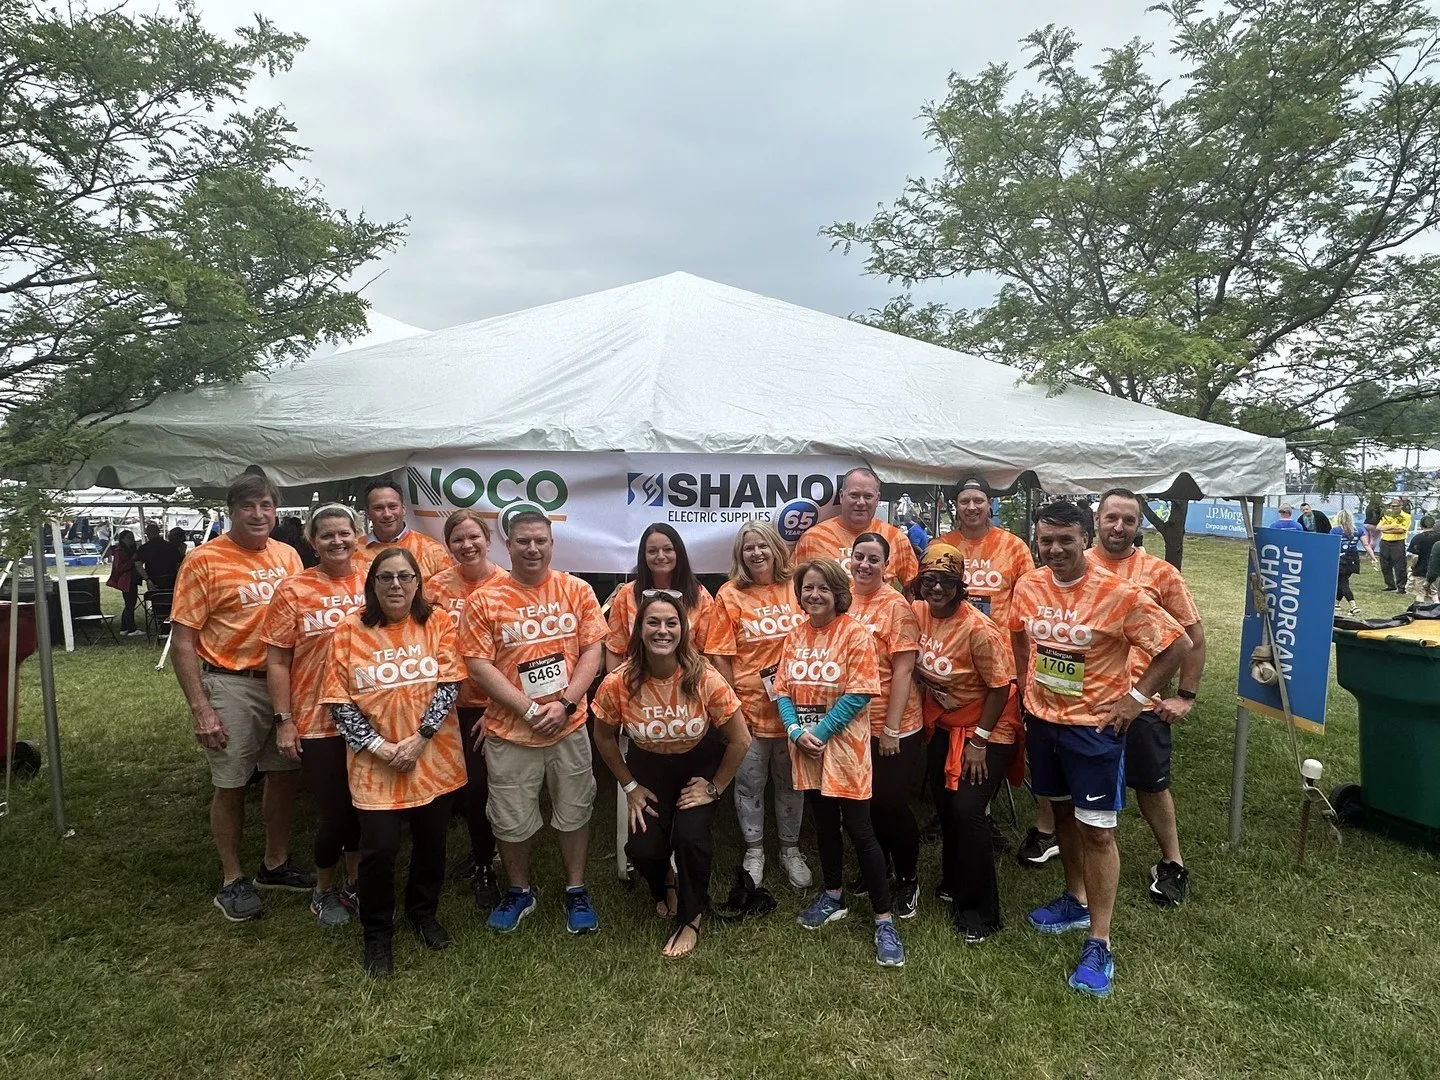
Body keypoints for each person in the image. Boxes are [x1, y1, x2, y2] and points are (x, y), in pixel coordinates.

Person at [1011, 499, 1190, 997]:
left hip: (1094, 730)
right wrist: (1027, 692)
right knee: (1062, 816)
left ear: (1086, 538)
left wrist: (1136, 699)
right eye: (1046, 540)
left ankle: (1100, 940)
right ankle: (1075, 897)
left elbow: (1177, 644)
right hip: (1044, 724)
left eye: (1066, 540)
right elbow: (1021, 639)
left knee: (1098, 833)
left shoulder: (1118, 593)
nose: (1055, 549)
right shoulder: (1029, 584)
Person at [169, 473, 311, 921]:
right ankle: (231, 879)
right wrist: (200, 707)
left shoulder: (288, 555)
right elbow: (183, 639)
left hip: (284, 683)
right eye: (248, 506)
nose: (258, 514)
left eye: (266, 505)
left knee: (284, 774)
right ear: (232, 510)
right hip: (232, 681)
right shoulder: (203, 560)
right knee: (231, 783)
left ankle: (275, 862)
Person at [459, 510, 607, 935]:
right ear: (509, 544)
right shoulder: (485, 599)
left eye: (540, 540)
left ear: (552, 543)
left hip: (568, 726)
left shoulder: (576, 590)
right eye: (523, 541)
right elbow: (477, 664)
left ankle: (576, 889)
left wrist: (566, 702)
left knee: (575, 810)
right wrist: (527, 709)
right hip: (511, 731)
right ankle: (519, 891)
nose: (532, 548)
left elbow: (592, 650)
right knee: (509, 816)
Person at [320, 548, 466, 977]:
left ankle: (423, 914)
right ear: (373, 584)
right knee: (379, 849)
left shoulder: (436, 621)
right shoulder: (349, 630)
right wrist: (380, 747)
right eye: (386, 577)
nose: (396, 585)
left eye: (405, 576)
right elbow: (338, 700)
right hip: (374, 763)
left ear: (418, 582)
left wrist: (419, 739)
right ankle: (377, 934)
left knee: (431, 842)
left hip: (432, 757)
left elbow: (449, 683)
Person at [592, 594, 751, 957]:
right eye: (653, 622)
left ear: (683, 629)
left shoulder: (704, 677)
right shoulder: (619, 681)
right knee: (645, 849)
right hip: (648, 770)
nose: (662, 630)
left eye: (671, 623)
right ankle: (665, 880)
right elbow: (603, 736)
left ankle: (691, 917)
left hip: (697, 767)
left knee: (691, 837)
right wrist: (629, 786)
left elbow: (740, 739)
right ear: (639, 629)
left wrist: (715, 787)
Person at [775, 558, 905, 968]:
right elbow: (780, 689)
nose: (813, 595)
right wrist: (796, 733)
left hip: (844, 749)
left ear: (838, 594)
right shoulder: (794, 635)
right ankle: (833, 896)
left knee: (860, 829)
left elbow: (861, 691)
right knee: (824, 822)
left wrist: (823, 732)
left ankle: (884, 920)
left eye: (822, 589)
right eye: (807, 588)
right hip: (806, 746)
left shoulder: (855, 634)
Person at [1086, 489, 1208, 906]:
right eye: (1111, 518)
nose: (1119, 527)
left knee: (1151, 786)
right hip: (1082, 702)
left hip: (1141, 701)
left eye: (1128, 520)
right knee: (1072, 787)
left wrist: (1186, 696)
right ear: (1096, 520)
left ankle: (1172, 862)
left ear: (1139, 526)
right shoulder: (1075, 565)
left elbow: (1193, 636)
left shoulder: (1160, 573)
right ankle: (1055, 841)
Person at [261, 504, 368, 928]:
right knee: (335, 811)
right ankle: (324, 889)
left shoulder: (373, 583)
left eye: (344, 533)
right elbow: (278, 661)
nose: (337, 541)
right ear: (312, 540)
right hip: (316, 719)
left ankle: (357, 883)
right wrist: (283, 719)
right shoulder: (293, 590)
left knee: (365, 808)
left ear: (357, 535)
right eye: (327, 535)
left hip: (369, 717)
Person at [908, 543, 1021, 941]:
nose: (937, 588)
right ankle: (953, 881)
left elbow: (999, 687)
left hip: (988, 727)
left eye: (947, 582)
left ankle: (979, 912)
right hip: (945, 723)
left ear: (961, 586)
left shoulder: (979, 629)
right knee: (945, 804)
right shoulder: (918, 613)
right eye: (930, 580)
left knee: (969, 811)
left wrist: (980, 741)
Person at [934, 477, 1042, 863]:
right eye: (965, 500)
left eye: (979, 500)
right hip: (951, 660)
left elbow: (1030, 598)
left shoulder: (1013, 546)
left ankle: (983, 811)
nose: (972, 507)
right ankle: (949, 802)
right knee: (948, 734)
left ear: (989, 505)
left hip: (1002, 660)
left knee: (992, 735)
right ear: (955, 506)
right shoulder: (940, 546)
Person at [706, 521, 812, 889]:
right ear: (740, 555)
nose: (757, 553)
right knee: (749, 785)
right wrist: (733, 707)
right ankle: (754, 851)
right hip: (749, 709)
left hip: (796, 709)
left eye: (762, 546)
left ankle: (790, 849)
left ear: (775, 548)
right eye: (749, 548)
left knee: (791, 784)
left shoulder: (796, 586)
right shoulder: (729, 595)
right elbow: (720, 655)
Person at [423, 508, 511, 910]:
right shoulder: (433, 588)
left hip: (488, 705)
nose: (467, 545)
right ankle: (440, 863)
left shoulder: (508, 585)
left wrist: (499, 707)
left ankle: (485, 863)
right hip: (442, 705)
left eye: (474, 537)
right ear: (448, 545)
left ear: (488, 540)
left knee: (480, 788)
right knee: (448, 789)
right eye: (457, 539)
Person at [846, 532, 923, 917]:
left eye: (874, 559)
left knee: (891, 804)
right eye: (860, 556)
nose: (865, 564)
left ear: (886, 565)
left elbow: (904, 669)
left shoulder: (897, 606)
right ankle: (879, 866)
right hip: (849, 724)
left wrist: (891, 729)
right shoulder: (842, 597)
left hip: (893, 726)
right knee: (864, 805)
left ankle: (908, 877)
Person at [605, 523, 714, 671]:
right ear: (643, 556)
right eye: (652, 551)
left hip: (686, 683)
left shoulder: (700, 595)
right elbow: (615, 650)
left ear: (679, 553)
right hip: (635, 682)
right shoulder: (626, 594)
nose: (661, 556)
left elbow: (708, 653)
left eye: (668, 549)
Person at [794, 466, 919, 587]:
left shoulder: (896, 539)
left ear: (877, 499)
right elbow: (792, 587)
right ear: (842, 496)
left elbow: (914, 587)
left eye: (868, 496)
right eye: (854, 495)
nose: (860, 502)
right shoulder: (813, 539)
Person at [363, 478, 451, 578]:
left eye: (393, 506)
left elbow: (448, 590)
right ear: (367, 513)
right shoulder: (352, 552)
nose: (387, 514)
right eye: (378, 508)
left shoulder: (433, 550)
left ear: (403, 509)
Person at [1332, 509, 1377, 616]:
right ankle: (1337, 604)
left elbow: (1331, 546)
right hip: (1353, 559)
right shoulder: (1359, 530)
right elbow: (1366, 545)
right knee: (1343, 580)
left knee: (1342, 582)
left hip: (1341, 559)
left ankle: (1353, 606)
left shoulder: (1335, 531)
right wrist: (1373, 558)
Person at [105, 529, 142, 636]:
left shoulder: (128, 550)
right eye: (129, 538)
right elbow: (120, 567)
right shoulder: (119, 551)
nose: (132, 540)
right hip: (126, 580)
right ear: (123, 539)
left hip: (131, 580)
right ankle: (131, 629)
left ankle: (124, 627)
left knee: (129, 604)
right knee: (130, 604)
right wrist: (132, 560)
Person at [1377, 498, 1412, 592]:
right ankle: (1390, 585)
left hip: (1398, 542)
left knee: (1400, 566)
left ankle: (1401, 587)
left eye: (1395, 506)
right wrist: (1393, 527)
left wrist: (1386, 529)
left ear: (1401, 506)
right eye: (1391, 506)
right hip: (1384, 541)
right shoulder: (1386, 514)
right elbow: (1379, 527)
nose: (1393, 508)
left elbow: (1401, 530)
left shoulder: (1406, 516)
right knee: (1385, 565)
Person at [1407, 516, 1439, 602]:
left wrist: (1413, 566)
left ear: (1421, 526)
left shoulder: (1417, 538)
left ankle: (1419, 610)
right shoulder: (1438, 538)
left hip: (1420, 570)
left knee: (1420, 593)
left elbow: (1415, 557)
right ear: (1433, 525)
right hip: (1435, 571)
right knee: (1434, 593)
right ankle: (1437, 609)